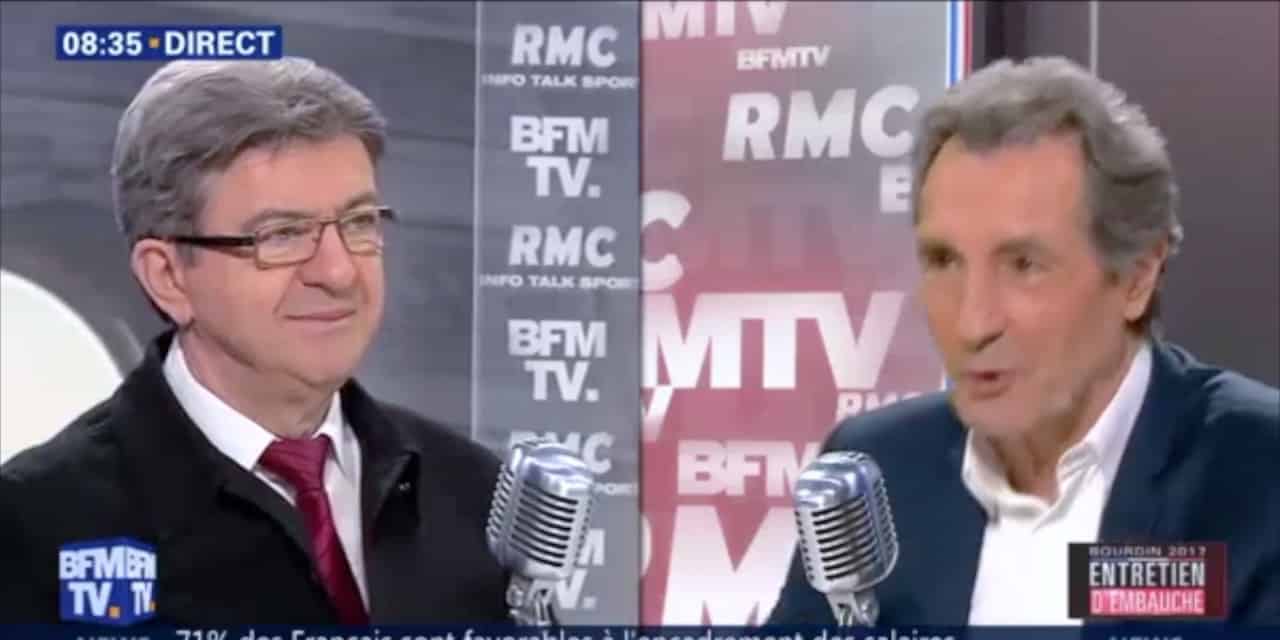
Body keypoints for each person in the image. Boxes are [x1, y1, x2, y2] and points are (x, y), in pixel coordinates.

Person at [767, 56, 1280, 625]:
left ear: (1136, 276)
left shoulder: (1258, 476)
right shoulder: (879, 468)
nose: (973, 323)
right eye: (944, 260)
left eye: (1024, 265)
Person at [0, 58, 510, 624]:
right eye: (282, 235)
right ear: (169, 277)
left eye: (359, 223)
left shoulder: (472, 492)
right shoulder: (37, 526)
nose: (338, 272)